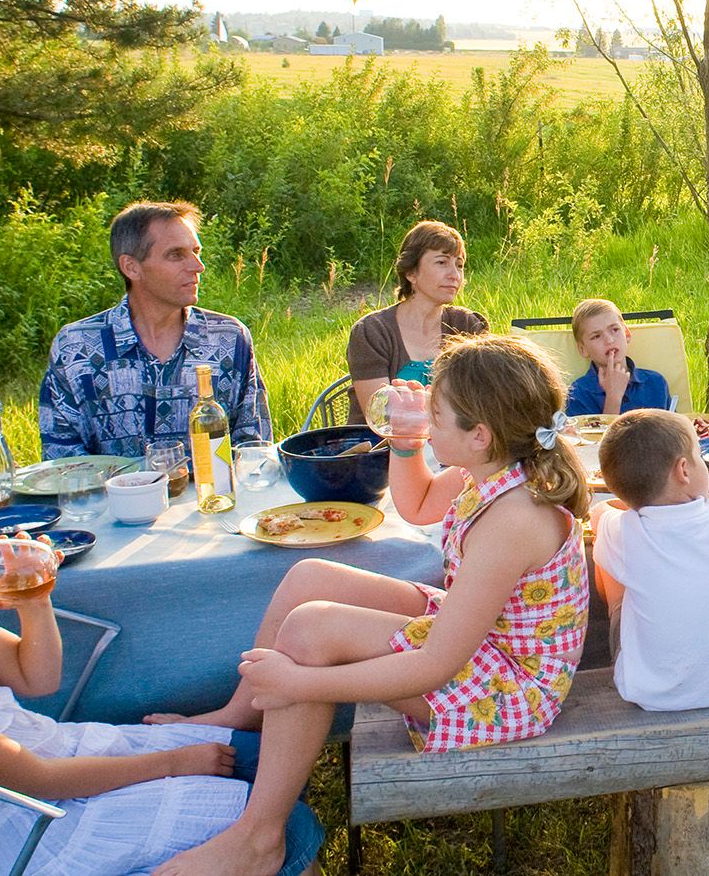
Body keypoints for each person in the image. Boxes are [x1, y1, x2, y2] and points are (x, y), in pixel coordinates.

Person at [149, 334, 590, 876]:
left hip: (511, 691)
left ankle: (258, 838)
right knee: (309, 578)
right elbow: (418, 502)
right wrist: (406, 442)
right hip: (479, 638)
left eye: (436, 410)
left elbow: (436, 664)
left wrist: (302, 683)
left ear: (479, 434)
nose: (425, 413)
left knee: (313, 633)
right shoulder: (493, 467)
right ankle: (235, 723)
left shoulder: (514, 518)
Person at [0, 473, 323, 876]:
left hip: (48, 762)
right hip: (26, 830)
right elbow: (35, 780)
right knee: (284, 823)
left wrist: (36, 602)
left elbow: (37, 681)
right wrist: (172, 764)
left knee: (266, 760)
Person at [39, 200, 272, 460]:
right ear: (131, 267)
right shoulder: (75, 347)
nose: (198, 266)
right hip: (112, 500)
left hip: (213, 499)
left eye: (196, 251)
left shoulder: (228, 339)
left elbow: (255, 448)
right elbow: (61, 460)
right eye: (176, 254)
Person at [591, 409, 709, 711]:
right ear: (684, 470)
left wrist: (633, 502)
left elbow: (597, 514)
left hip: (652, 694)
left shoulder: (627, 531)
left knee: (609, 561)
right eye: (700, 454)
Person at [345, 220, 490, 419]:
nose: (454, 275)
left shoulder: (467, 325)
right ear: (411, 272)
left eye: (459, 265)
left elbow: (487, 399)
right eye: (442, 262)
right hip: (383, 446)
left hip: (454, 445)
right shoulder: (372, 332)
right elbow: (380, 415)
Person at [565, 299, 674, 416]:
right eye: (596, 336)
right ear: (583, 349)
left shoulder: (656, 383)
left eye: (615, 330)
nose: (609, 340)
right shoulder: (577, 394)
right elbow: (597, 435)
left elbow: (675, 430)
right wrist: (613, 397)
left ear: (626, 334)